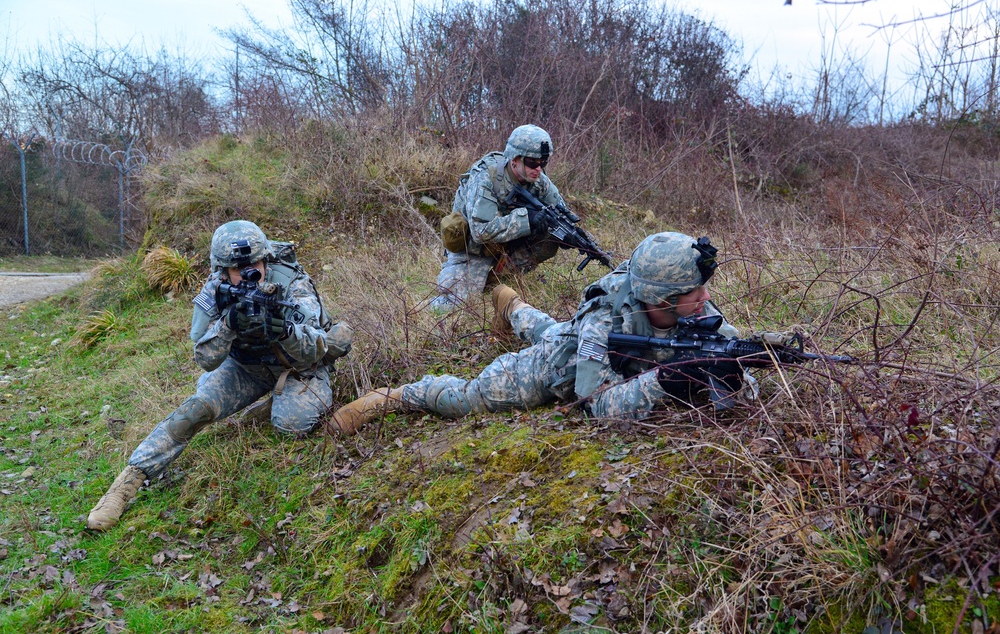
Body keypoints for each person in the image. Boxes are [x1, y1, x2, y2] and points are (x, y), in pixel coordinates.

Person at [331, 232, 758, 434]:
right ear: (659, 297)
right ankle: (395, 396)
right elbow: (595, 404)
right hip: (564, 366)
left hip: (586, 344)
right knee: (472, 398)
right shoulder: (602, 319)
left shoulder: (696, 306)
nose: (705, 298)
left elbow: (732, 354)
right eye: (692, 291)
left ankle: (513, 306)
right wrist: (667, 380)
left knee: (548, 328)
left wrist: (733, 373)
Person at [87, 220, 353, 531]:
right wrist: (228, 326)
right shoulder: (215, 290)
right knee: (193, 412)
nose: (249, 272)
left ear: (265, 259)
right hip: (246, 368)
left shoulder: (292, 283)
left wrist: (285, 332)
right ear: (221, 270)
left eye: (254, 264)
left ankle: (273, 405)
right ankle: (126, 483)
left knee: (291, 424)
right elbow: (205, 359)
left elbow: (314, 349)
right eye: (238, 268)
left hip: (297, 367)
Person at [431, 124, 569, 311]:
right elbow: (480, 232)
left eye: (543, 163)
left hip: (506, 246)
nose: (538, 169)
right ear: (515, 159)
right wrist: (527, 219)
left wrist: (568, 234)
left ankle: (498, 280)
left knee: (550, 236)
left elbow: (562, 211)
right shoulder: (486, 177)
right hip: (472, 250)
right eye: (532, 163)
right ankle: (470, 285)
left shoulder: (538, 180)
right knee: (455, 307)